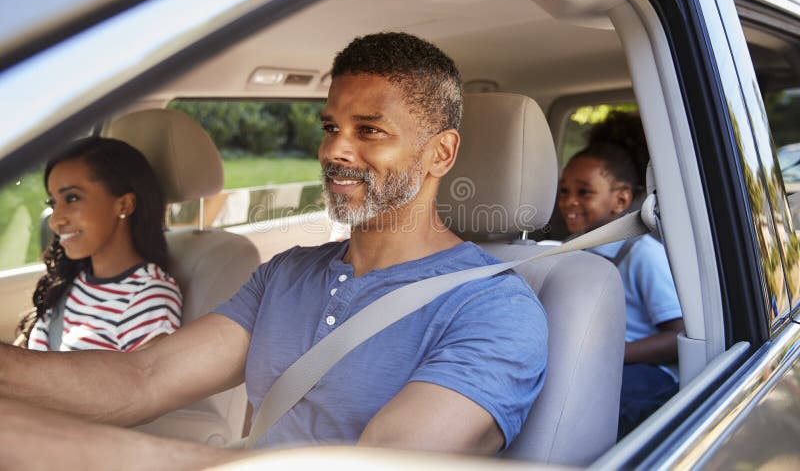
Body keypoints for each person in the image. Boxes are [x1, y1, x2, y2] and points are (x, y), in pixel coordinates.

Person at [0, 32, 547, 469]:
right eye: (330, 126)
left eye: (369, 130)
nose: (334, 148)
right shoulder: (286, 273)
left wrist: (82, 452)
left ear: (440, 154)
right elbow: (142, 378)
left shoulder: (494, 309)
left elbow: (382, 463)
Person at [556, 112, 683, 439]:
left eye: (584, 192)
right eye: (564, 190)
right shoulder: (567, 250)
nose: (569, 202)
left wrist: (613, 355)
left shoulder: (640, 254)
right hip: (588, 364)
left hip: (644, 372)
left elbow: (677, 335)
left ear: (622, 199)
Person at [15, 137, 181, 352]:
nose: (55, 221)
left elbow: (144, 383)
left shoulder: (148, 298)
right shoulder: (72, 280)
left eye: (72, 199)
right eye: (53, 203)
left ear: (124, 204)